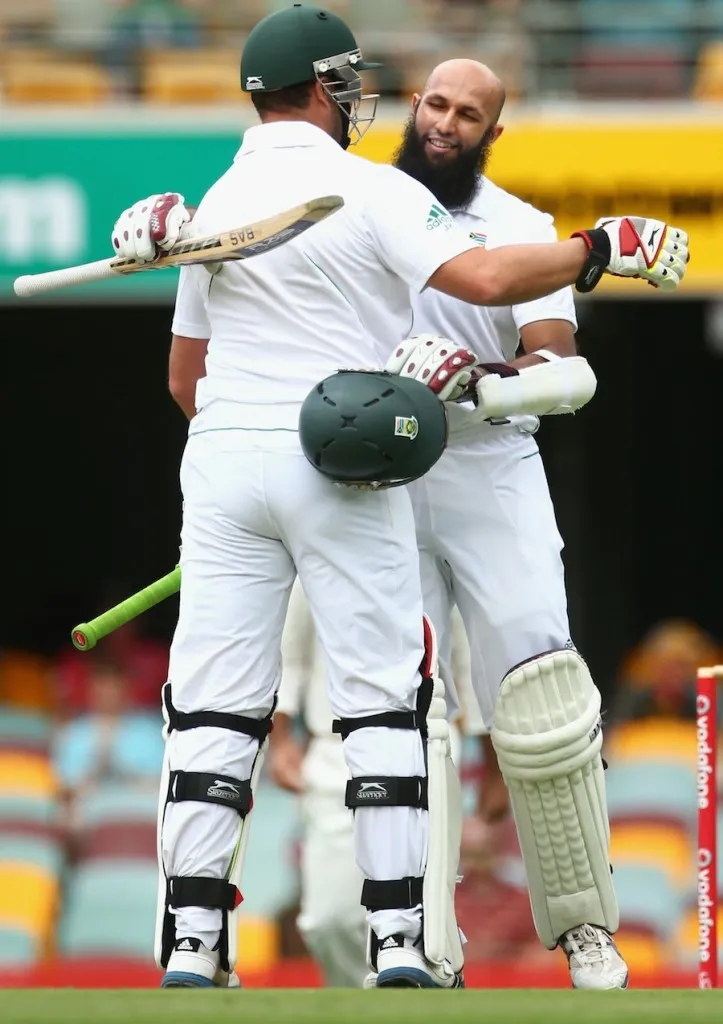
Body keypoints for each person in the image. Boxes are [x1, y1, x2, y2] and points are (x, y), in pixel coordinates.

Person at [106, 3, 688, 990]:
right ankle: (410, 943)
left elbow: (564, 368)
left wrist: (474, 379)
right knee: (391, 705)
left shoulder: (227, 202)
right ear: (364, 95)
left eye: (469, 109)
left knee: (520, 707)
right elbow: (483, 279)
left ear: (491, 130)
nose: (441, 119)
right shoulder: (371, 191)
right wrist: (603, 247)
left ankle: (200, 944)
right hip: (353, 462)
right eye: (432, 100)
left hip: (409, 459)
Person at [268, 578, 482, 988]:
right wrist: (280, 742)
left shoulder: (433, 532)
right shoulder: (314, 538)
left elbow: (467, 661)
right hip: (335, 755)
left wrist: (490, 762)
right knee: (329, 921)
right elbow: (288, 654)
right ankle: (366, 1008)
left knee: (423, 924)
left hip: (424, 749)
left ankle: (426, 993)